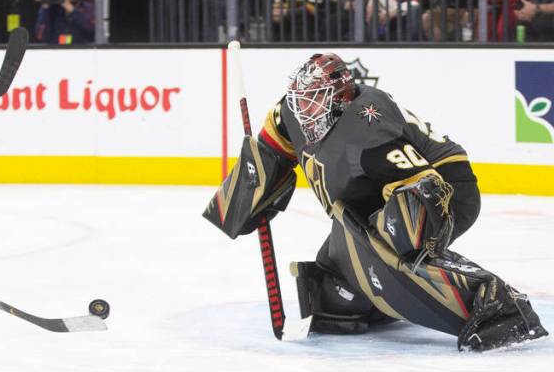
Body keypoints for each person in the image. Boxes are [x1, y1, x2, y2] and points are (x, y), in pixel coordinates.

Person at [205, 52, 547, 351]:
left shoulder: (367, 131)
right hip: (379, 194)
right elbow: (268, 152)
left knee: (394, 244)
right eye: (300, 99)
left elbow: (425, 186)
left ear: (339, 100)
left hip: (444, 187)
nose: (303, 110)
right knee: (332, 290)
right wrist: (248, 194)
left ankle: (497, 305)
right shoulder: (291, 113)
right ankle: (375, 300)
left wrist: (397, 257)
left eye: (314, 100)